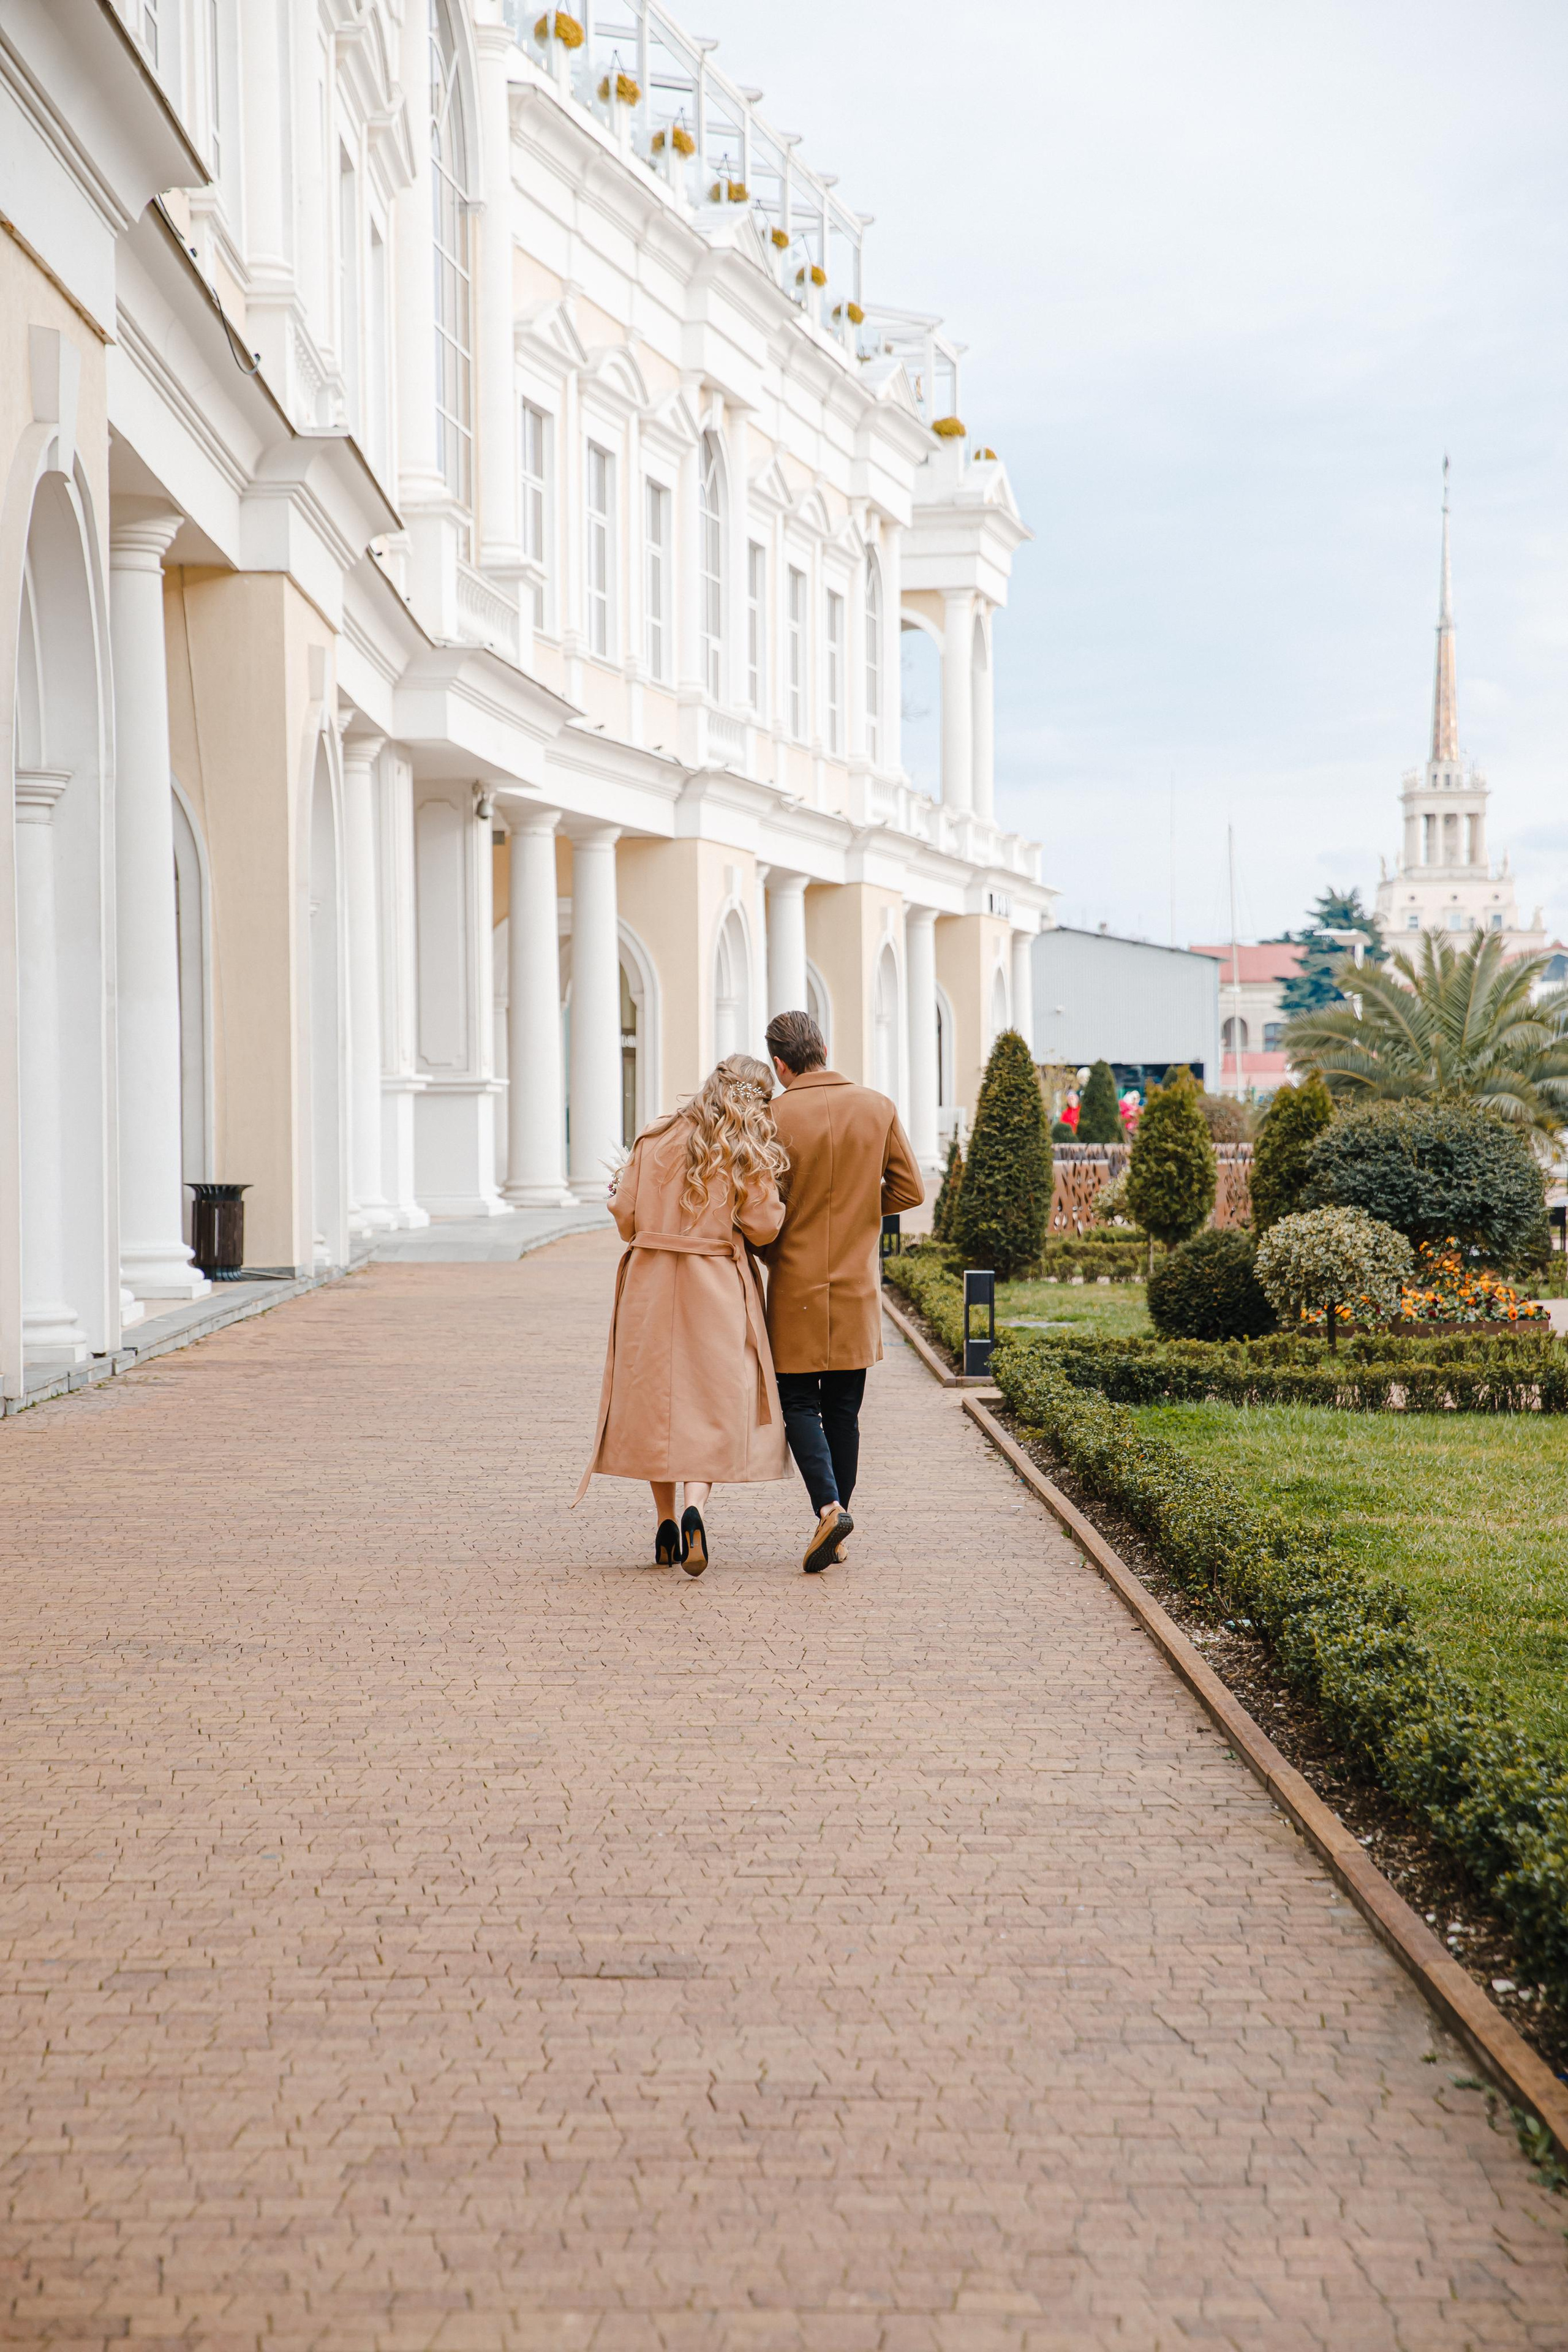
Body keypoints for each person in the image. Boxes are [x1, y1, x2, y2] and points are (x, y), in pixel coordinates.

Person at [575, 1054, 789, 1575]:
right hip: (714, 1284)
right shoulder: (743, 1149)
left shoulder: (654, 1137)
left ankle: (666, 1522)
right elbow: (763, 1227)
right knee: (711, 1400)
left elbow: (625, 1217)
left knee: (656, 1400)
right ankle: (696, 1507)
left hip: (650, 1282)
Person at [761, 1009, 924, 1573]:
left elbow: (762, 1208)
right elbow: (909, 1189)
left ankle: (830, 1509)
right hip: (856, 1283)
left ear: (781, 1064)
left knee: (800, 1404)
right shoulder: (877, 1106)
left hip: (794, 1285)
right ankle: (837, 1521)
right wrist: (858, 1212)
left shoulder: (774, 1115)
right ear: (824, 1047)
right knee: (844, 1413)